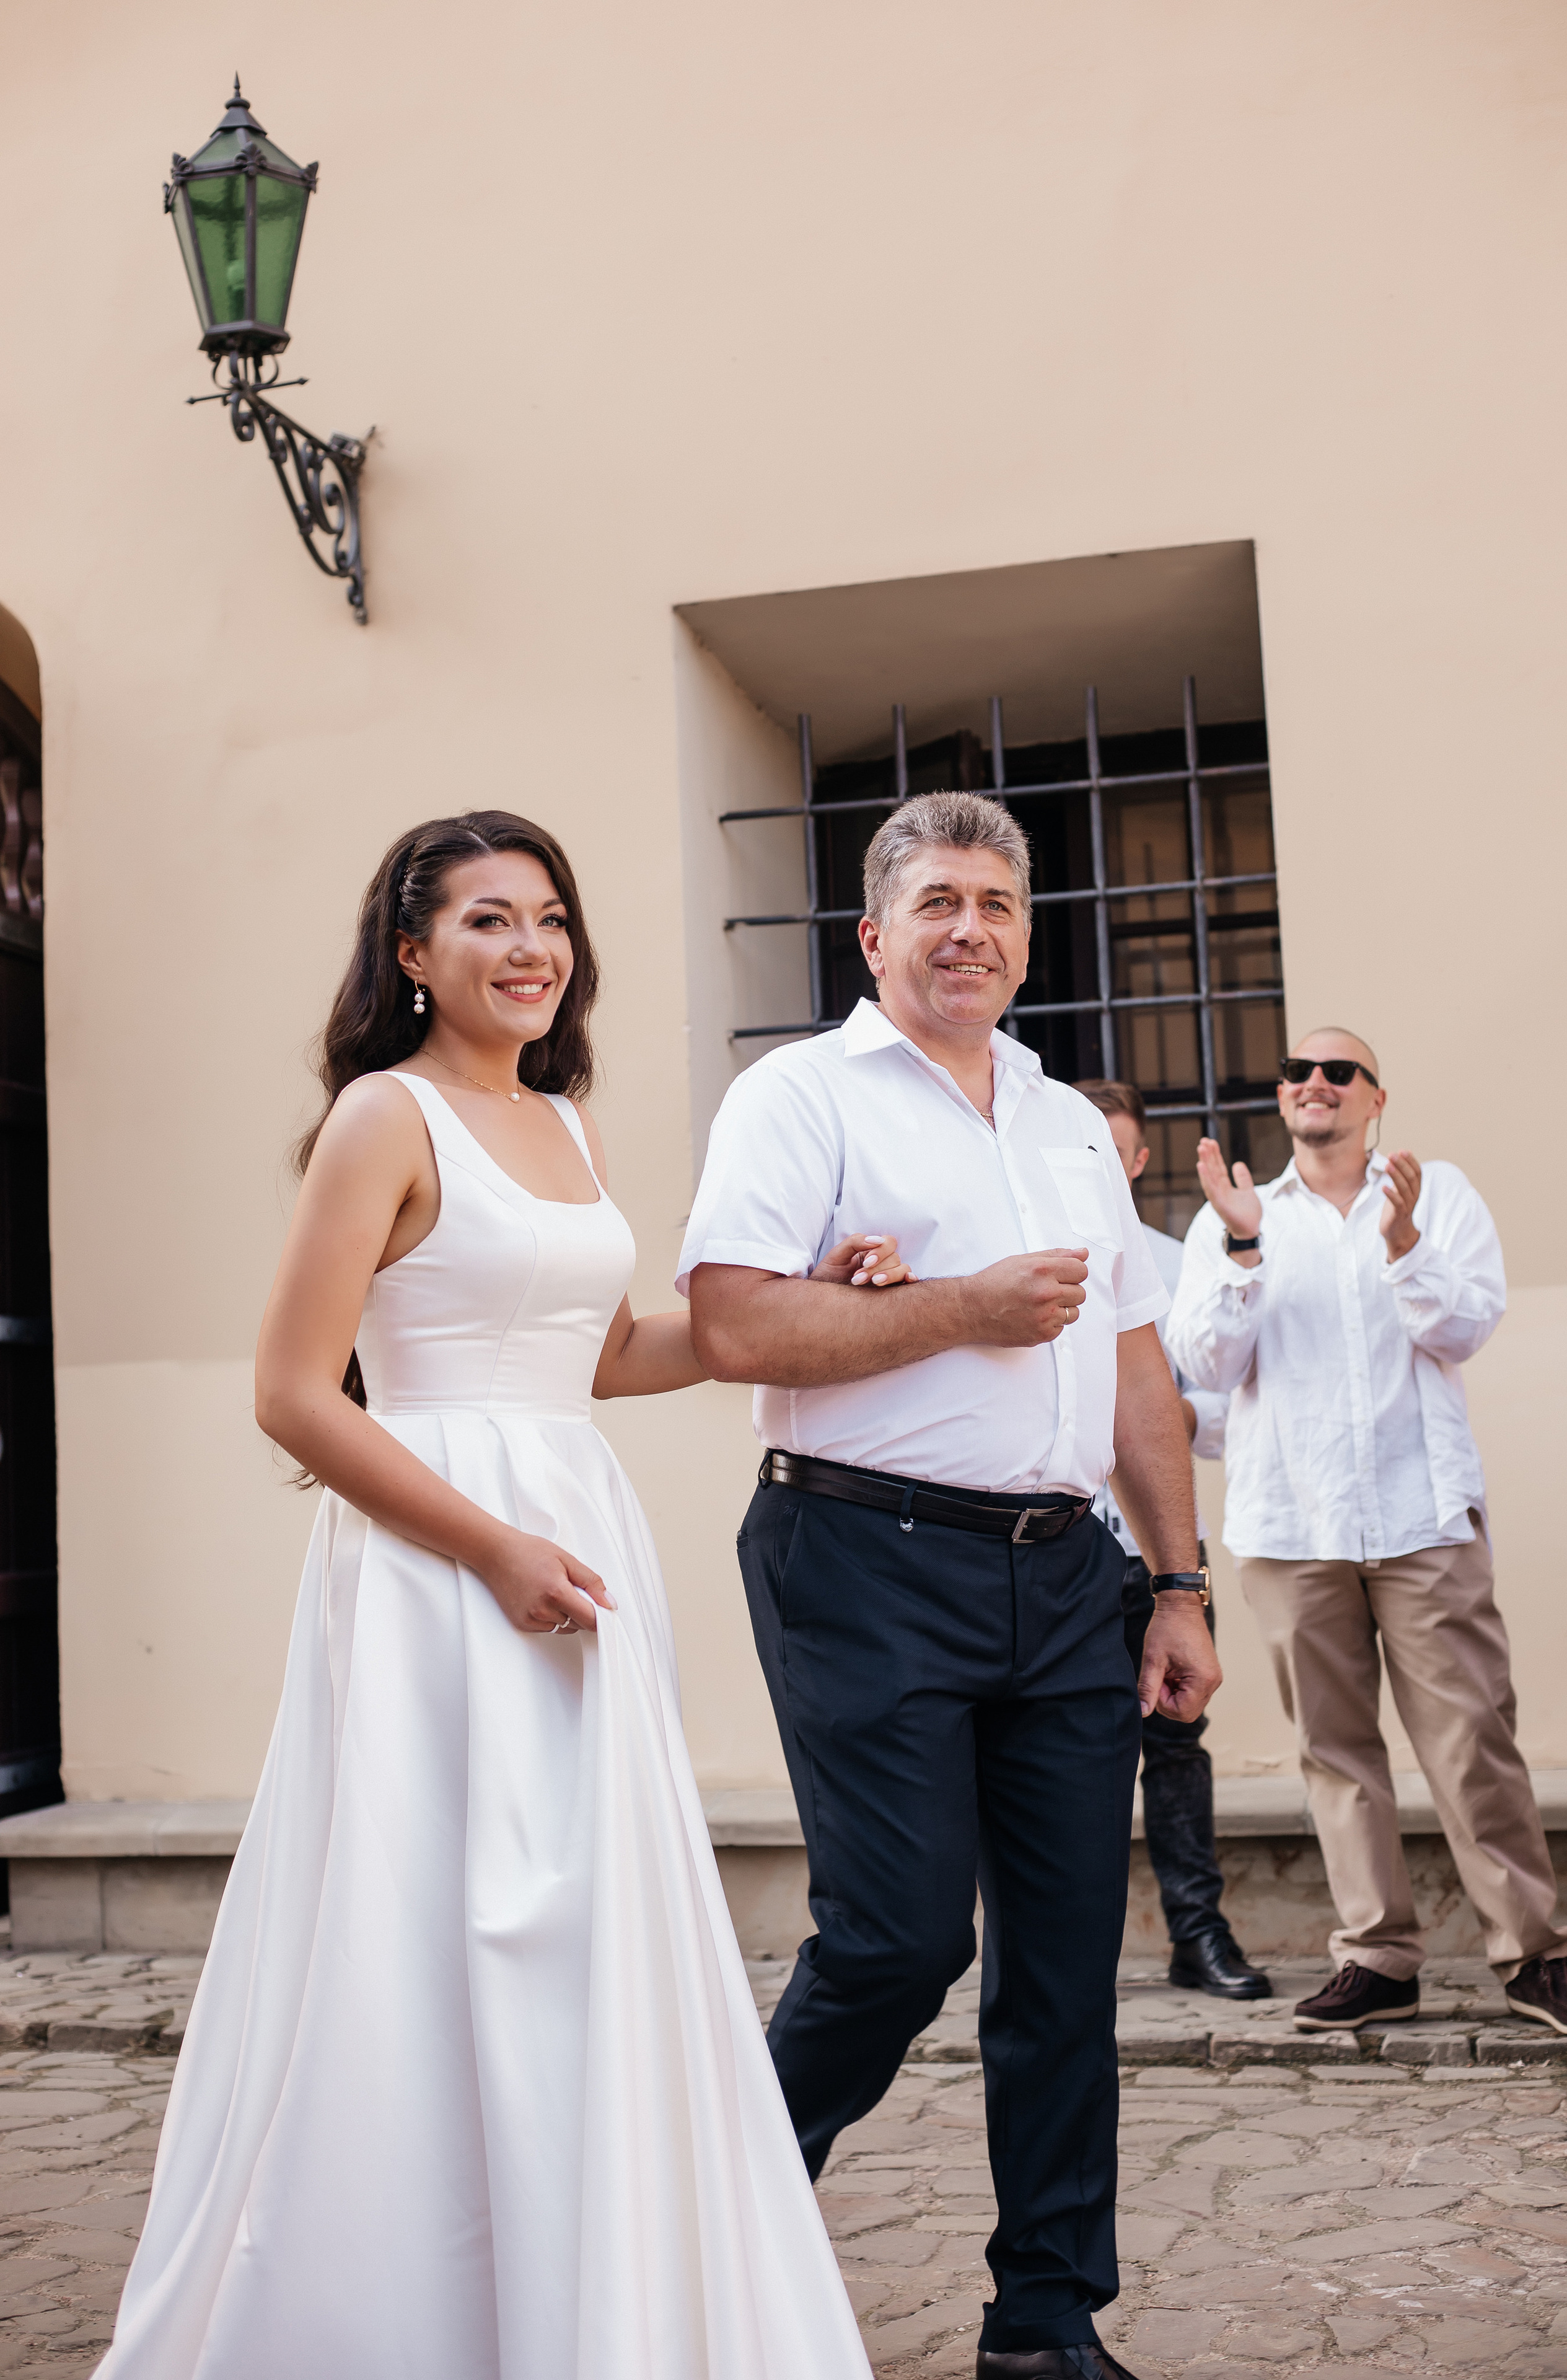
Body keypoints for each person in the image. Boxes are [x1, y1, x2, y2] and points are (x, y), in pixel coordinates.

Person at [98, 811, 888, 2380]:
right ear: (411, 955)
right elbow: (292, 1394)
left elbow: (605, 1358)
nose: (528, 949)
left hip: (571, 1533)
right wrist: (489, 1548)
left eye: (549, 919)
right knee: (427, 1912)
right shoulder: (381, 1120)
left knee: (571, 1920)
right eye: (484, 922)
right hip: (437, 1562)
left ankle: (577, 2280)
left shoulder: (567, 1125)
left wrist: (796, 1302)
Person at [684, 791, 1221, 2380]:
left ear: (1025, 936)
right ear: (873, 934)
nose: (968, 926)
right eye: (935, 901)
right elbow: (728, 1328)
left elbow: (1134, 1367)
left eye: (995, 902)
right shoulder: (798, 1098)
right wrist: (957, 1311)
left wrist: (1176, 1584)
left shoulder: (1063, 1121)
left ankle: (1045, 2324)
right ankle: (710, 2232)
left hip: (1067, 1576)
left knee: (1063, 1964)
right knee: (897, 1938)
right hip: (860, 1555)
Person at [1168, 1027, 1567, 2038]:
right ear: (1282, 1100)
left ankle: (1533, 1954)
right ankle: (1377, 1959)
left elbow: (1465, 1329)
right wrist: (1241, 1246)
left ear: (1374, 1097)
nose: (1316, 1082)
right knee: (1335, 1750)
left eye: (1338, 1070)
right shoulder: (1235, 1215)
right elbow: (1205, 1366)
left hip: (1420, 1514)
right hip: (1291, 1520)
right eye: (1299, 1071)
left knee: (1473, 1739)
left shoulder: (1437, 1194)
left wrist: (1404, 1247)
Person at [1073, 1082, 1266, 2002]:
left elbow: (1229, 1407)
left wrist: (1167, 1412)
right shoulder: (1007, 1254)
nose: (1104, 1166)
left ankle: (1199, 1936)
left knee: (1178, 1746)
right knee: (1064, 1752)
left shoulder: (1166, 1268)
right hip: (1053, 1553)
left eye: (1119, 1152)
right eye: (1087, 1150)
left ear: (1140, 1163)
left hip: (1158, 1555)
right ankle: (1075, 1956)